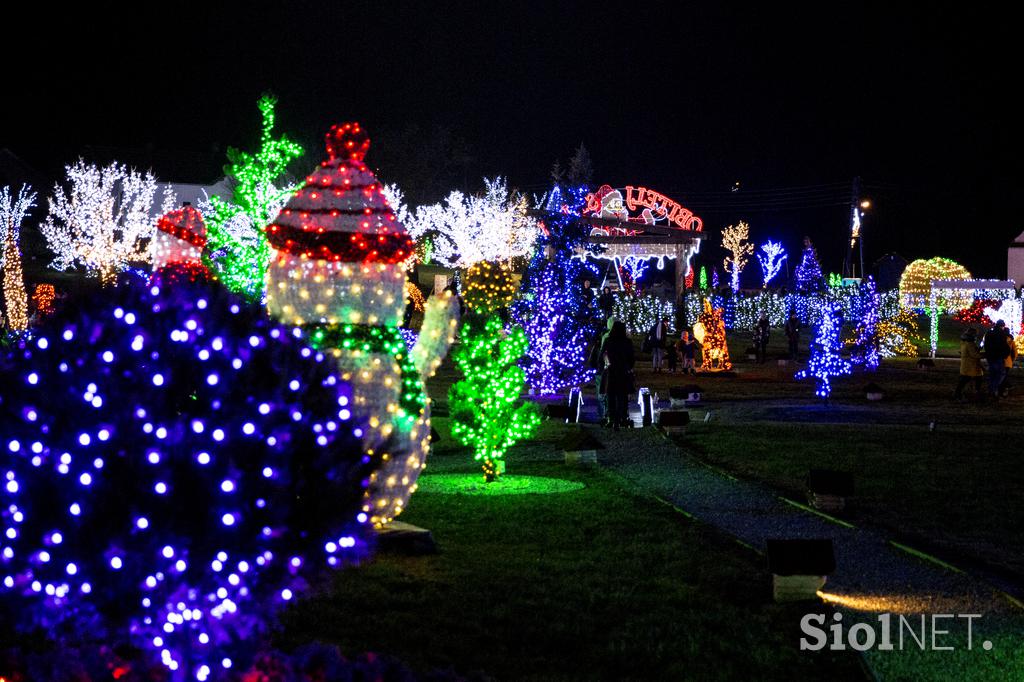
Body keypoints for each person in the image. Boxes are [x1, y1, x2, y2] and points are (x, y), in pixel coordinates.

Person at [600, 320, 635, 430]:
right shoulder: (627, 342)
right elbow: (631, 358)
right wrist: (628, 367)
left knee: (610, 395)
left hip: (611, 371)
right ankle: (622, 417)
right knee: (622, 396)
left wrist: (606, 364)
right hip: (623, 372)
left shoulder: (608, 340)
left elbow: (602, 355)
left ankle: (611, 417)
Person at [589, 317, 617, 424]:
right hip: (613, 370)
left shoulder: (605, 337)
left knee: (602, 392)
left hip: (603, 369)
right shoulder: (622, 338)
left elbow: (601, 354)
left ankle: (603, 414)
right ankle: (612, 414)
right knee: (611, 393)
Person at [954, 328, 984, 401]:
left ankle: (958, 394)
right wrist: (985, 354)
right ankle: (960, 395)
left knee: (963, 380)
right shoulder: (970, 344)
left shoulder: (964, 342)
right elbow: (975, 355)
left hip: (966, 365)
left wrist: (979, 349)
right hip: (971, 366)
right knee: (975, 379)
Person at [983, 320, 1010, 398]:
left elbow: (986, 345)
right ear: (1002, 326)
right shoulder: (1001, 334)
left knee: (992, 374)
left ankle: (991, 389)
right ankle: (993, 389)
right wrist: (1005, 354)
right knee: (1001, 373)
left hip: (990, 357)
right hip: (998, 357)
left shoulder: (989, 333)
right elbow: (1004, 346)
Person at [1000, 326, 1017, 397]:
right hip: (1008, 361)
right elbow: (1015, 352)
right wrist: (1012, 360)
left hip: (1000, 360)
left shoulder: (1000, 339)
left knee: (1002, 376)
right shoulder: (1011, 341)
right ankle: (1006, 388)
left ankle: (1004, 389)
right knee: (1004, 375)